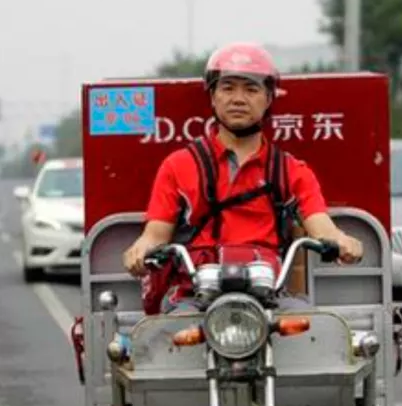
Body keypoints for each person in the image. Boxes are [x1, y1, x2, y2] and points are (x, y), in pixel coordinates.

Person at [122, 41, 363, 312]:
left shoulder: (291, 170)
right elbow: (155, 234)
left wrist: (341, 241)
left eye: (251, 89)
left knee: (308, 331)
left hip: (268, 293)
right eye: (227, 88)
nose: (238, 99)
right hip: (195, 293)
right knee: (169, 341)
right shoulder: (178, 165)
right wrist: (141, 248)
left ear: (269, 98)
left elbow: (322, 228)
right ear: (212, 96)